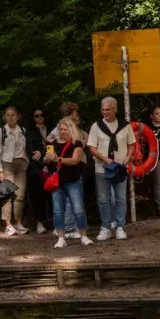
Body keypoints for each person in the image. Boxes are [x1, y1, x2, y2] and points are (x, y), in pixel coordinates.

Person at [86, 97, 135, 240]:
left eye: (108, 109)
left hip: (119, 167)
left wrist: (128, 157)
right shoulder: (96, 126)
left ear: (115, 109)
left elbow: (131, 144)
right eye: (103, 109)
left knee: (120, 199)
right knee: (103, 199)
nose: (105, 112)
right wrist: (104, 158)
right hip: (102, 168)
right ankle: (106, 227)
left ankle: (120, 227)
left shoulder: (126, 126)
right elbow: (91, 147)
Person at [47, 118, 94, 248]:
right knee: (57, 210)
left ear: (71, 129)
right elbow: (50, 163)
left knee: (78, 209)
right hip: (57, 181)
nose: (63, 132)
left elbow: (75, 160)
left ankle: (83, 236)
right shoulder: (53, 143)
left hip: (73, 180)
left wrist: (58, 159)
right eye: (61, 129)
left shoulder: (76, 143)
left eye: (65, 129)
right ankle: (61, 238)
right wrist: (47, 159)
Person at [0, 107, 31, 236]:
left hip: (21, 165)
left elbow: (26, 149)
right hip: (7, 165)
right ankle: (8, 225)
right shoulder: (1, 131)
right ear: (4, 117)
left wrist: (26, 162)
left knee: (20, 195)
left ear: (18, 116)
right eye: (8, 115)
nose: (10, 117)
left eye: (13, 115)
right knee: (7, 195)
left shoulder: (23, 131)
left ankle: (18, 223)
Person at [26, 110, 55, 232]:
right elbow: (31, 153)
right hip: (36, 168)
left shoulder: (52, 130)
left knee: (54, 193)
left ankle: (54, 221)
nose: (39, 118)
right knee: (38, 195)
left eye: (42, 115)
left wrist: (43, 154)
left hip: (52, 165)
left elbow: (56, 145)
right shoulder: (30, 133)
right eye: (36, 116)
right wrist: (42, 159)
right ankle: (39, 222)